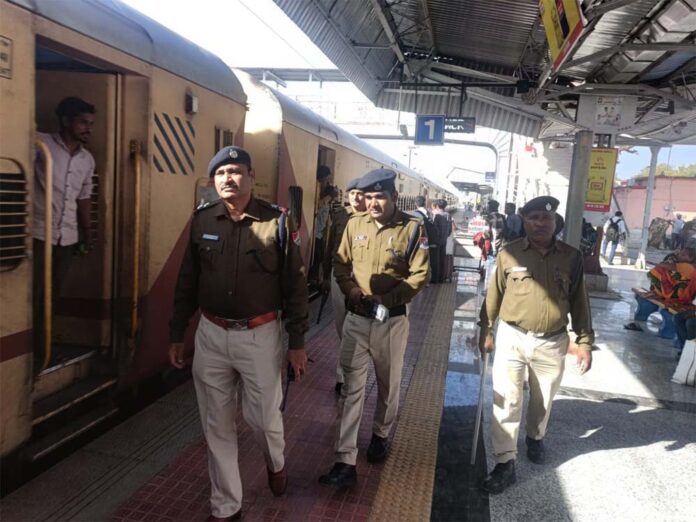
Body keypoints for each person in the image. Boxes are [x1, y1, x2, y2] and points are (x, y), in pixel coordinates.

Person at [169, 146, 309, 521]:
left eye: (235, 171)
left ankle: (275, 461)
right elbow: (187, 280)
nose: (228, 178)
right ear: (213, 180)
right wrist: (177, 331)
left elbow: (295, 286)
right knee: (216, 425)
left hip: (259, 335)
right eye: (220, 173)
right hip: (211, 335)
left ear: (250, 176)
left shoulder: (277, 221)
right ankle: (226, 507)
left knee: (263, 420)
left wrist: (297, 343)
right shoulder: (202, 220)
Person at [319, 168, 430, 488]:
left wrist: (387, 298)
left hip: (391, 321)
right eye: (368, 197)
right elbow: (341, 263)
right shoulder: (355, 224)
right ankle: (345, 460)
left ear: (394, 196)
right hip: (356, 319)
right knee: (351, 388)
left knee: (388, 384)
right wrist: (350, 289)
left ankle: (380, 434)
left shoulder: (412, 228)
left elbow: (420, 275)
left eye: (379, 196)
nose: (372, 203)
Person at [479, 196, 594, 494]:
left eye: (546, 218)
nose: (540, 224)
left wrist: (584, 341)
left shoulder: (571, 257)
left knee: (542, 400)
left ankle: (535, 436)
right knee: (506, 399)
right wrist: (486, 329)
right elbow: (494, 295)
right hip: (512, 337)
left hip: (553, 341)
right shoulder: (509, 253)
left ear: (556, 222)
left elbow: (580, 301)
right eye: (533, 218)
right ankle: (505, 462)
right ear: (525, 221)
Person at [33, 97, 96, 366]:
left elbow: (83, 197)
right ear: (65, 121)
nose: (88, 128)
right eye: (83, 122)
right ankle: (30, 353)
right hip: (37, 234)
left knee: (52, 297)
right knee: (33, 296)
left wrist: (87, 233)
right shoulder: (41, 144)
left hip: (67, 238)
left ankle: (44, 348)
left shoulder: (87, 160)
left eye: (90, 123)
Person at [323, 177, 366, 395]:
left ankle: (349, 373)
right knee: (341, 325)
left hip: (362, 279)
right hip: (340, 275)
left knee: (357, 327)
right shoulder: (339, 216)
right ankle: (343, 374)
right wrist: (324, 275)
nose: (356, 198)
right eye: (352, 193)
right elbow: (329, 244)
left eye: (360, 193)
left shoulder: (372, 218)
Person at [625, 247, 696, 333]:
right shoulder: (689, 266)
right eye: (680, 254)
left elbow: (662, 265)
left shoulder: (687, 266)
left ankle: (658, 293)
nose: (679, 256)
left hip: (679, 296)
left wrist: (674, 255)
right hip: (684, 296)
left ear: (690, 258)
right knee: (663, 273)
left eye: (682, 255)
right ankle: (658, 293)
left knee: (659, 271)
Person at [413, 195, 440, 284]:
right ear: (425, 203)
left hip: (422, 239)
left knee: (422, 258)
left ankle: (423, 279)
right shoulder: (429, 213)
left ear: (415, 204)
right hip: (431, 240)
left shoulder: (415, 214)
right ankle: (431, 279)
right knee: (430, 259)